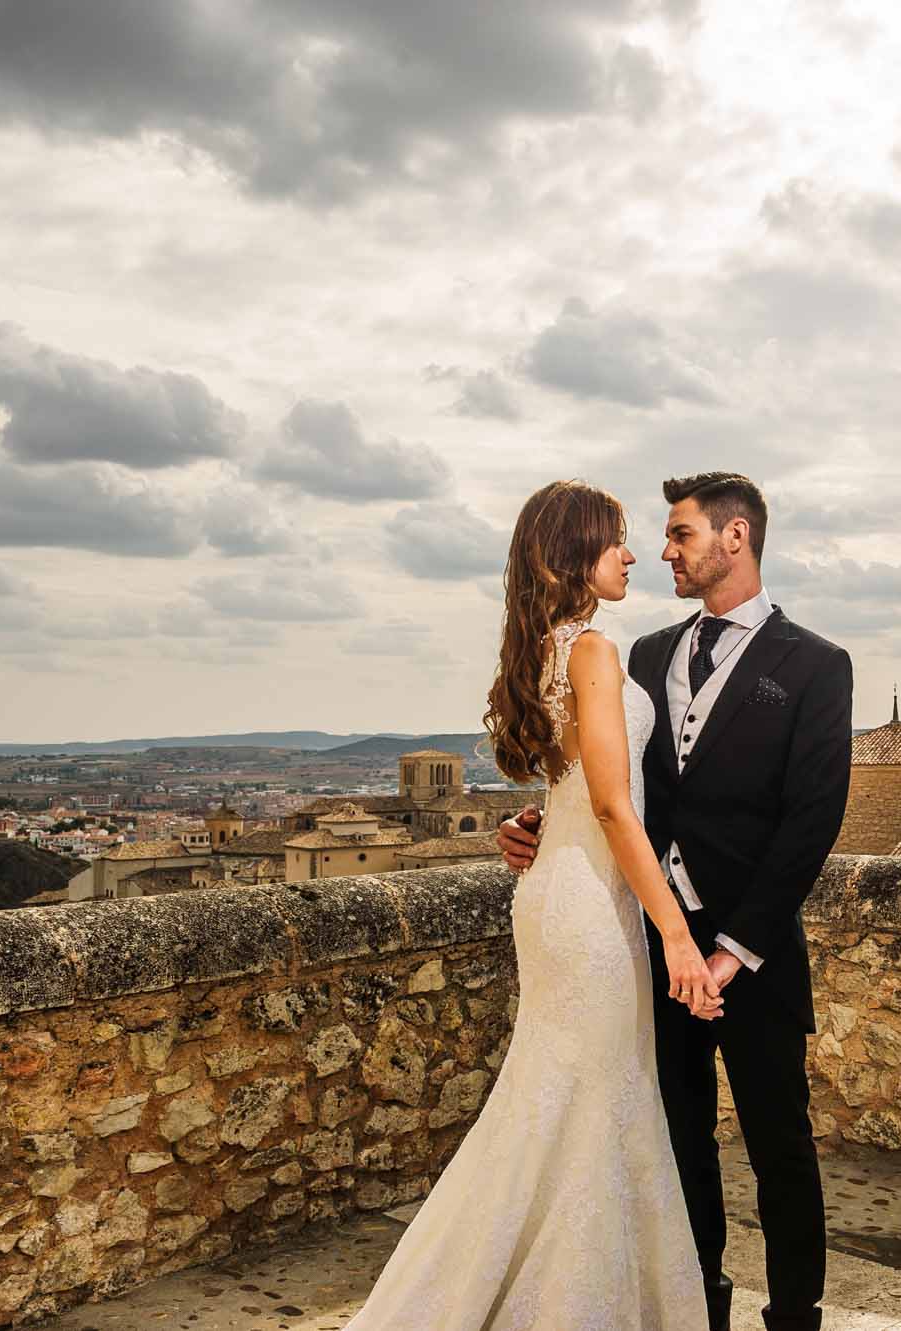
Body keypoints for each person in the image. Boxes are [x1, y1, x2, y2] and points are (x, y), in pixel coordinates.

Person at [343, 480, 717, 1331]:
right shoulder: (590, 650)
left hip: (562, 892)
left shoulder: (545, 649)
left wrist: (545, 827)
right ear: (574, 555)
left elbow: (578, 792)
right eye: (616, 539)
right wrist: (679, 936)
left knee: (561, 1101)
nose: (631, 554)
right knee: (588, 1103)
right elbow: (618, 806)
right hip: (590, 907)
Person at [502, 472, 852, 1331]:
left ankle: (795, 1315)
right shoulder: (646, 655)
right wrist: (541, 823)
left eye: (680, 535)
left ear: (735, 538)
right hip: (650, 943)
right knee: (677, 1139)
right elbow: (615, 786)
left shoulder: (815, 664)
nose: (664, 552)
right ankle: (702, 1304)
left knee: (780, 1145)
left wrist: (735, 947)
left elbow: (812, 821)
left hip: (752, 952)